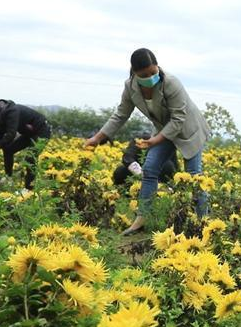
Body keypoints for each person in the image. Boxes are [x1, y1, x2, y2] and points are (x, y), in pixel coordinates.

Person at [85, 48, 210, 235]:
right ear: (135, 73)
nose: (151, 77)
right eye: (145, 75)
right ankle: (141, 220)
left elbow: (178, 118)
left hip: (188, 130)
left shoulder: (171, 83)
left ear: (157, 67)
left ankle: (204, 225)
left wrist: (154, 141)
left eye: (154, 72)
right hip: (163, 130)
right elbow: (120, 115)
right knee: (150, 169)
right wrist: (97, 138)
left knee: (194, 177)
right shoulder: (130, 87)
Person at [0, 97, 51, 190]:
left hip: (42, 131)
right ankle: (8, 178)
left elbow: (11, 134)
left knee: (30, 157)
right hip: (29, 133)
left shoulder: (11, 111)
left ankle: (29, 189)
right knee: (8, 149)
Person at [113, 133, 178, 189]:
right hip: (138, 171)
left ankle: (165, 188)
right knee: (120, 171)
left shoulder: (166, 142)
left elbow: (175, 167)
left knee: (168, 165)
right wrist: (140, 173)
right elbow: (127, 157)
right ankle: (123, 189)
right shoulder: (139, 140)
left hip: (160, 174)